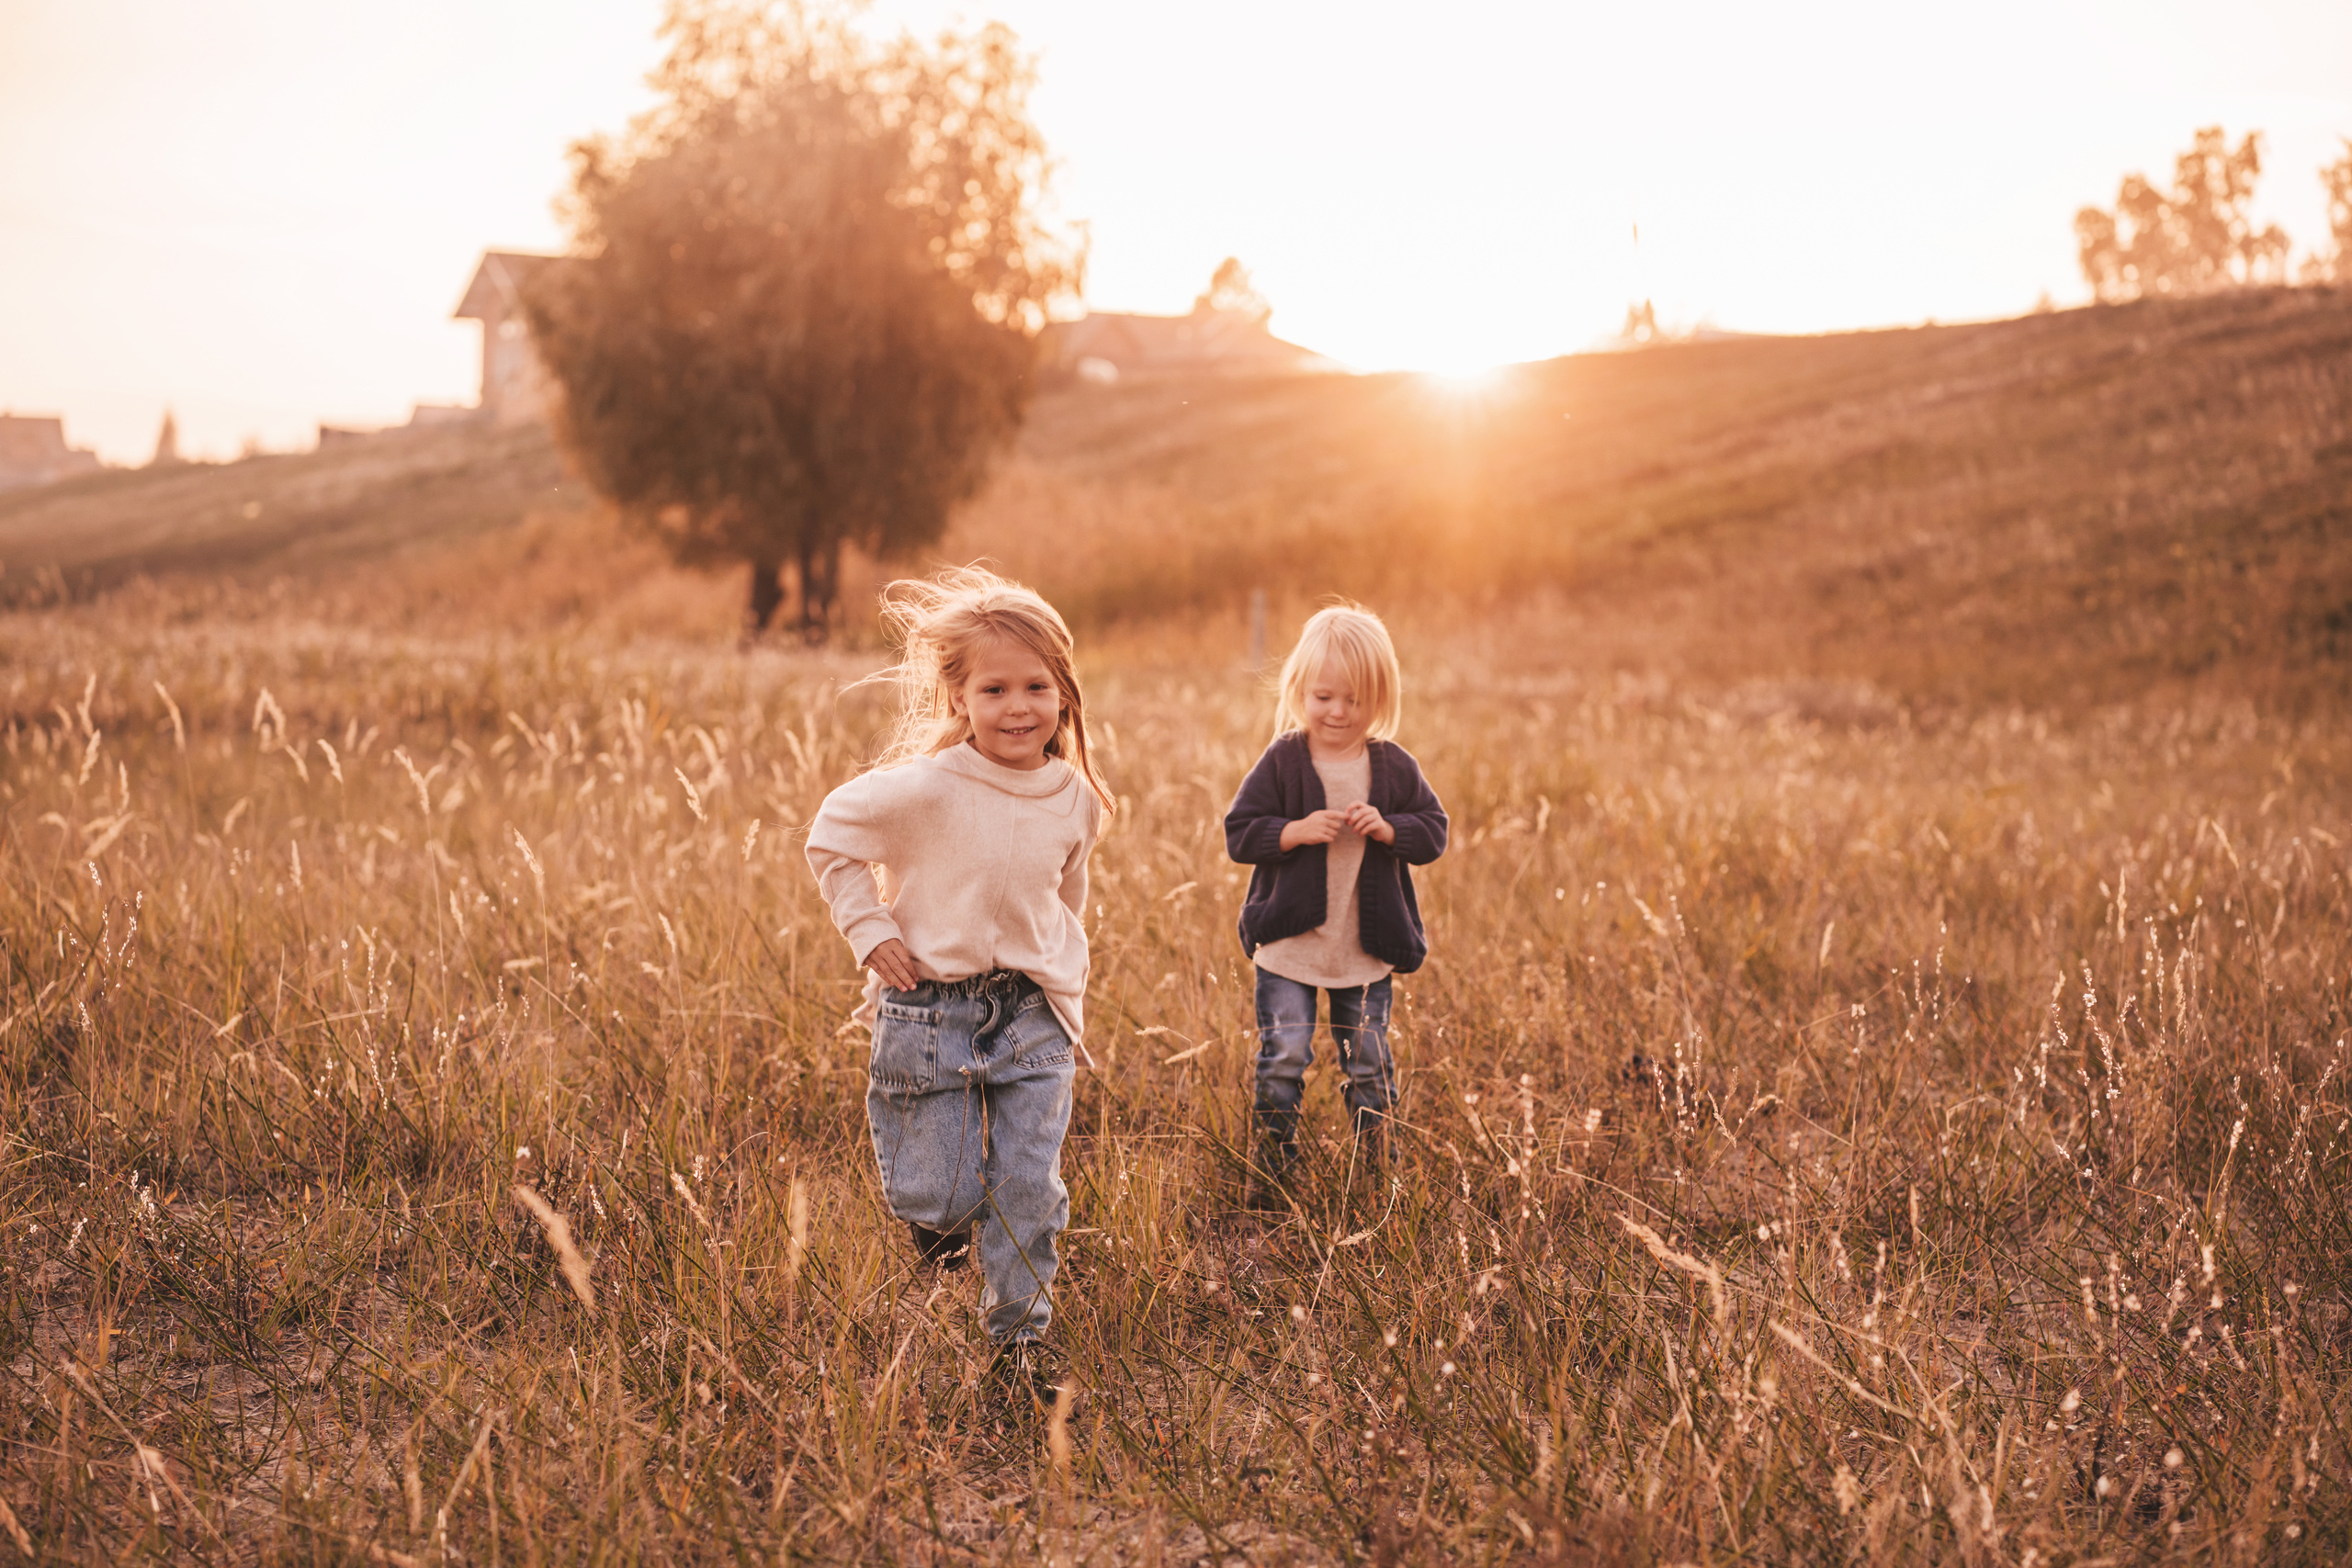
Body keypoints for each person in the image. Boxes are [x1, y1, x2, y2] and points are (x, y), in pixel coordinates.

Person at [805, 567, 1113, 1399]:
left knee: (1029, 1185)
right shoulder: (926, 787)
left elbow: (1064, 901)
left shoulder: (1074, 799)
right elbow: (829, 836)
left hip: (1032, 1017)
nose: (1020, 707)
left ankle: (1019, 1347)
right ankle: (940, 1228)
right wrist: (871, 931)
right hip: (928, 1013)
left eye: (1037, 686)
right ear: (959, 695)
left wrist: (1063, 981)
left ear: (1064, 691)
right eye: (996, 687)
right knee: (936, 1194)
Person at [1223, 603, 1446, 1196]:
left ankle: (1378, 1172)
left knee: (1369, 1062)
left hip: (1363, 953)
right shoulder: (1283, 760)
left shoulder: (1393, 767)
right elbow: (1239, 830)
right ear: (1300, 690)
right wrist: (1291, 832)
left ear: (1379, 699)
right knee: (1285, 1057)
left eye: (1355, 699)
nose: (1340, 712)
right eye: (1325, 697)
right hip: (1290, 949)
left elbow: (1434, 830)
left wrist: (1391, 828)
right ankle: (1270, 1172)